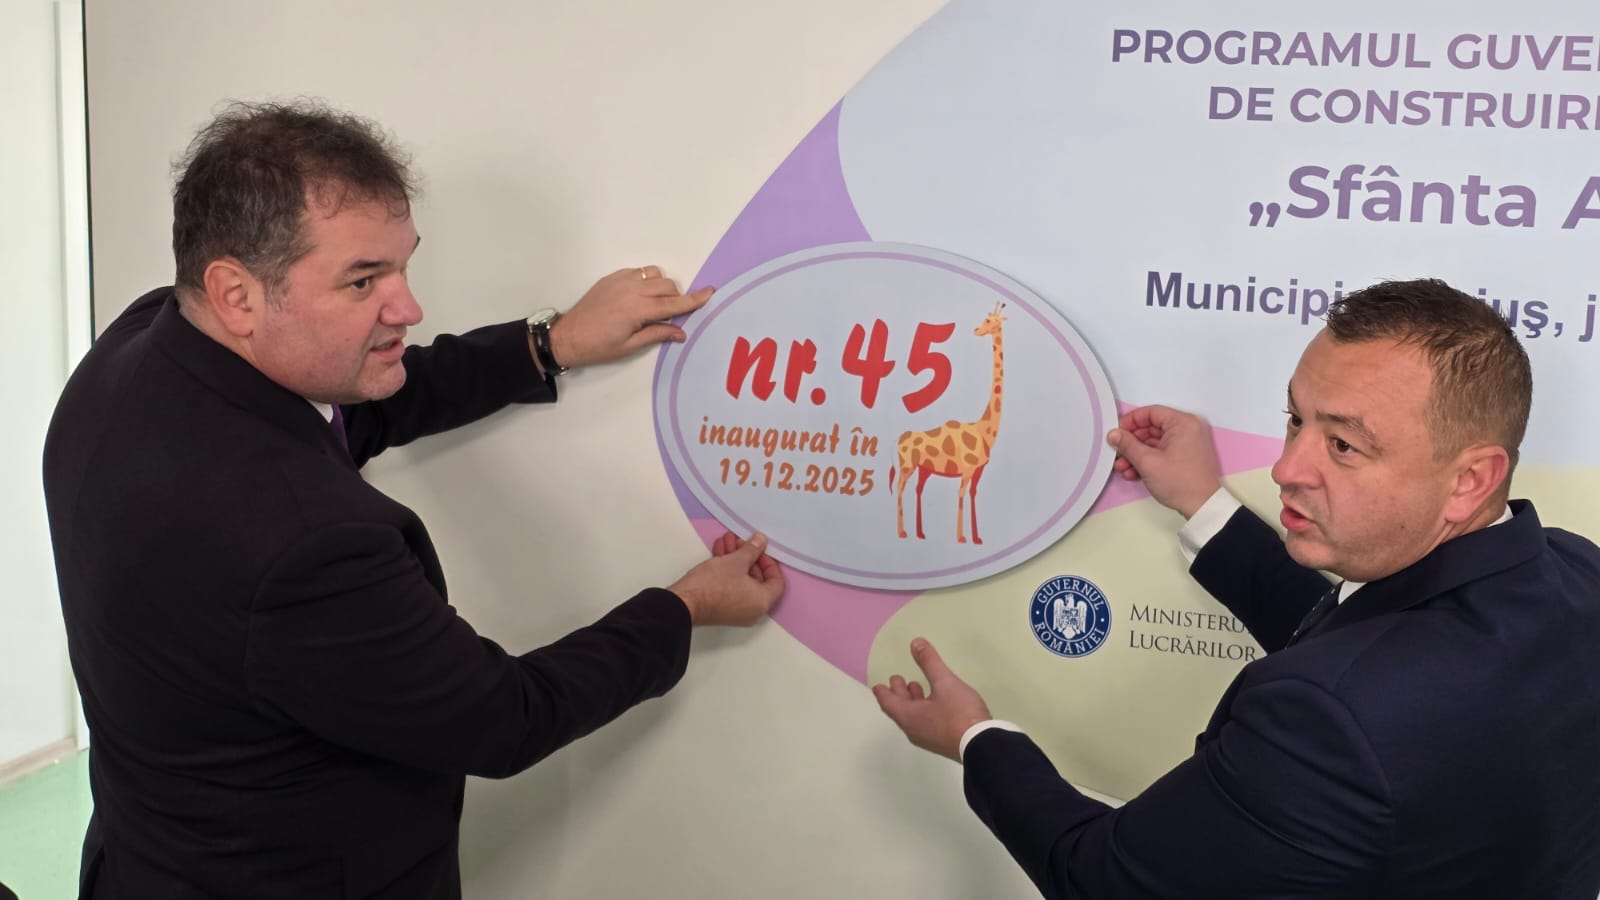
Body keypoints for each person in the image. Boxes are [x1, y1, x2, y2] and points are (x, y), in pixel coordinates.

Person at [42, 100, 784, 899]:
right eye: (363, 280)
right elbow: (503, 720)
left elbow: (347, 409)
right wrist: (685, 608)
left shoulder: (140, 348)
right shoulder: (305, 545)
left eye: (403, 267)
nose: (408, 307)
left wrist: (550, 343)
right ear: (237, 294)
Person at [872, 278, 1600, 898]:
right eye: (1295, 420)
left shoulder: (1327, 724)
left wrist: (975, 738)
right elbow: (1365, 640)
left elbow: (1102, 879)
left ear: (1470, 479)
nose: (1287, 468)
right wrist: (1203, 501)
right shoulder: (1573, 571)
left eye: (1343, 444)